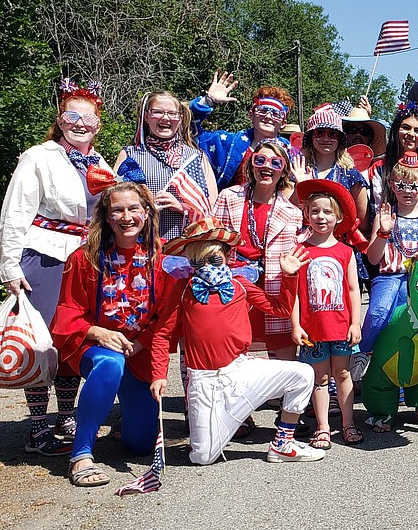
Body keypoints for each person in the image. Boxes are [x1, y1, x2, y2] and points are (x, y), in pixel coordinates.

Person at [149, 218, 321, 465]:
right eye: (197, 261)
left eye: (213, 258)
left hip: (241, 370)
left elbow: (281, 308)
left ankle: (283, 443)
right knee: (203, 457)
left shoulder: (240, 284)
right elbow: (162, 334)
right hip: (204, 381)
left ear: (228, 255)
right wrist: (158, 374)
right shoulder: (183, 289)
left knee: (303, 373)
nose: (206, 265)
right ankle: (219, 427)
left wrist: (288, 276)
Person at [0, 79, 108, 456]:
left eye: (88, 118)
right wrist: (10, 266)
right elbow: (16, 212)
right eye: (71, 116)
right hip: (44, 254)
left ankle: (66, 415)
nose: (79, 124)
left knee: (72, 337)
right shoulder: (39, 156)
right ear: (60, 120)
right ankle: (36, 426)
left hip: (84, 259)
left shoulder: (100, 162)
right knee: (42, 340)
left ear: (98, 125)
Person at [48, 183, 166, 486]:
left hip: (138, 351)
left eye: (133, 208)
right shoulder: (85, 258)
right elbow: (66, 312)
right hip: (92, 347)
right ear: (106, 216)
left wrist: (140, 343)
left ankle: (121, 416)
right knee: (110, 363)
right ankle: (81, 454)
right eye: (117, 210)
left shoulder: (160, 259)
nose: (126, 217)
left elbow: (168, 316)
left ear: (146, 213)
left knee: (140, 444)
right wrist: (97, 332)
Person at [212, 141, 302, 362]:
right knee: (234, 350)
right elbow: (214, 240)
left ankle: (279, 396)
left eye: (275, 162)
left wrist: (303, 185)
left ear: (283, 171)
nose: (266, 167)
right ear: (251, 165)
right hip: (235, 283)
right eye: (259, 160)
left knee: (283, 354)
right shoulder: (228, 196)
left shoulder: (292, 212)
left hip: (272, 284)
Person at [292, 181, 363, 448]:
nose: (321, 217)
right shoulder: (300, 250)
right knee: (319, 378)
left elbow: (354, 290)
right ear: (306, 215)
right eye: (315, 212)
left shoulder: (346, 252)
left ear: (339, 217)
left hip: (341, 326)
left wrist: (355, 322)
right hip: (313, 330)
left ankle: (347, 423)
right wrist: (296, 325)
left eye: (327, 212)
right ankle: (322, 427)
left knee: (343, 374)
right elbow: (296, 294)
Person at [362, 156, 418, 357]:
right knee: (378, 314)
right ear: (392, 186)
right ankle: (363, 352)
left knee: (416, 327)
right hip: (389, 278)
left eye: (413, 186)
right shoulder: (383, 218)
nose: (407, 191)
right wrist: (383, 232)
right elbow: (373, 259)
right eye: (401, 185)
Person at [117, 90, 217, 239]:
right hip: (139, 245)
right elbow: (114, 201)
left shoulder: (196, 157)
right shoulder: (130, 154)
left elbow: (212, 208)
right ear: (146, 117)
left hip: (185, 247)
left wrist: (183, 208)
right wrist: (142, 201)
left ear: (180, 118)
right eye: (157, 112)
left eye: (172, 113)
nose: (165, 118)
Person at [191, 75, 297, 190]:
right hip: (231, 206)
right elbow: (189, 130)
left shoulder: (291, 154)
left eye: (276, 114)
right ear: (251, 115)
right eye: (263, 111)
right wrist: (208, 100)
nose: (268, 116)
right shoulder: (227, 143)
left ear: (283, 123)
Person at [291, 105, 368, 224]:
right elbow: (288, 209)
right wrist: (300, 187)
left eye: (332, 134)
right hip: (303, 237)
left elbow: (362, 218)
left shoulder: (350, 173)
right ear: (311, 137)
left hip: (339, 238)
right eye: (320, 133)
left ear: (340, 139)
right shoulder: (298, 168)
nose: (326, 138)